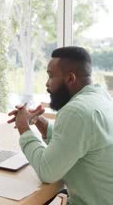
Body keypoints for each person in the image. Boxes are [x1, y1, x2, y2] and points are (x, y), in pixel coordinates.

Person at [7, 46, 113, 205]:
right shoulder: (100, 97)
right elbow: (74, 143)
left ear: (70, 78)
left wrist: (24, 127)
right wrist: (40, 123)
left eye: (50, 76)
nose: (46, 84)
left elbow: (47, 172)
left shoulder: (76, 112)